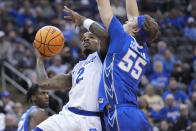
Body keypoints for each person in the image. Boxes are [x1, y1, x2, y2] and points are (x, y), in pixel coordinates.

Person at [33, 1, 139, 130]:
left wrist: (82, 20)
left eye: (91, 37)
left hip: (91, 119)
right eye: (83, 39)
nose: (86, 40)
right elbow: (44, 83)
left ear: (99, 43)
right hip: (66, 116)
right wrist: (39, 59)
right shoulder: (77, 68)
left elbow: (105, 36)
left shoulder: (105, 57)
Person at [96, 0, 159, 130]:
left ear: (135, 29)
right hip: (136, 115)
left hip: (120, 113)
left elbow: (102, 5)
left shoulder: (121, 37)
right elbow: (133, 17)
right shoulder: (144, 49)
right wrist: (134, 20)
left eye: (130, 21)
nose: (126, 21)